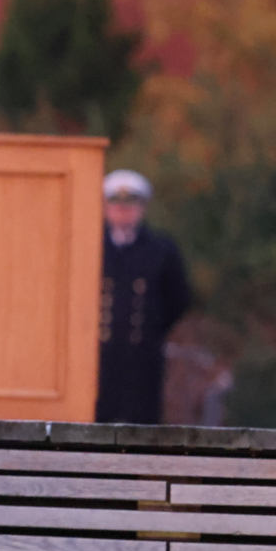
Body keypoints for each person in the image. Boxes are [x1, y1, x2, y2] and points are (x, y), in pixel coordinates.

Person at [96, 169, 191, 424]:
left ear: (142, 208)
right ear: (106, 207)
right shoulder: (91, 245)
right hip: (97, 355)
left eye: (130, 205)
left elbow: (179, 298)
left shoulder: (161, 248)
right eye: (116, 204)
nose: (123, 211)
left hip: (142, 355)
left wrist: (154, 327)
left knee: (140, 420)